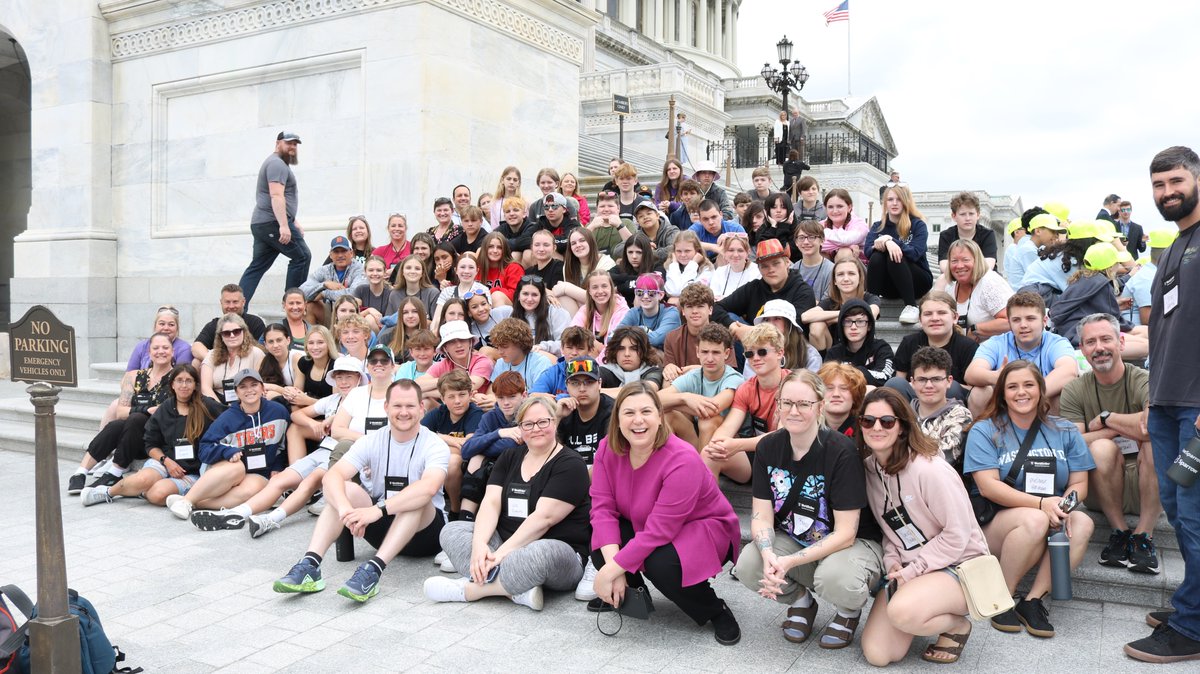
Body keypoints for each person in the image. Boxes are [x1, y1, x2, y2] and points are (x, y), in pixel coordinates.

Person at [735, 369, 884, 649]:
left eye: (804, 404)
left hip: (852, 545)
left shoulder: (841, 451)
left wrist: (788, 563)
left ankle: (848, 612)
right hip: (798, 537)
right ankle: (802, 603)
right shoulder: (768, 447)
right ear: (778, 405)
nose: (794, 411)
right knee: (750, 563)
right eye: (787, 403)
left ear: (820, 406)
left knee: (834, 578)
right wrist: (769, 555)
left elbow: (846, 533)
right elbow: (761, 516)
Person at [589, 382, 743, 645]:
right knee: (601, 543)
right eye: (629, 413)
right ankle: (634, 593)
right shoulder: (607, 448)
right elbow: (602, 508)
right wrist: (615, 570)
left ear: (660, 418)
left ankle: (714, 609)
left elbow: (660, 531)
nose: (638, 420)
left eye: (646, 412)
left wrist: (608, 573)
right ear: (617, 419)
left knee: (662, 564)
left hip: (704, 527)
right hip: (645, 520)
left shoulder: (682, 458)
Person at [271, 380, 449, 603]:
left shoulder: (434, 444)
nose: (404, 412)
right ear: (386, 408)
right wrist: (345, 509)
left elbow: (429, 488)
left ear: (422, 408)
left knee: (416, 498)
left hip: (425, 534)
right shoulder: (372, 440)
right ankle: (310, 565)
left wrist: (377, 510)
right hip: (382, 524)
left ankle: (373, 570)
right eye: (397, 406)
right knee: (343, 488)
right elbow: (332, 476)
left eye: (410, 406)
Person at [1126, 146, 1200, 662]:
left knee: (1195, 515)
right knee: (1178, 509)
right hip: (1169, 400)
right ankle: (1192, 602)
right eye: (1158, 186)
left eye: (1176, 181)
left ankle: (1194, 629)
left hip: (1196, 405)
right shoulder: (1174, 247)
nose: (1167, 193)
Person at [963, 360, 1095, 640]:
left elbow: (1080, 482)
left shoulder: (1066, 430)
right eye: (1012, 387)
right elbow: (988, 487)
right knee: (1035, 519)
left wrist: (1065, 506)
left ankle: (1033, 601)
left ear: (1040, 390)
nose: (1021, 392)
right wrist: (1041, 504)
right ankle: (1002, 597)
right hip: (999, 522)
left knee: (1082, 522)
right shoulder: (985, 430)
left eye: (1028, 385)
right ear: (1002, 393)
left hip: (1048, 514)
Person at [858, 387, 987, 666]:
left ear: (902, 427)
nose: (876, 427)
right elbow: (890, 529)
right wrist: (892, 561)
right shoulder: (869, 469)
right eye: (868, 421)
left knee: (903, 612)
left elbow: (957, 535)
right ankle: (920, 609)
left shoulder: (929, 469)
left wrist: (913, 570)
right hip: (909, 568)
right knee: (878, 654)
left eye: (887, 421)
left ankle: (955, 625)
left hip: (958, 565)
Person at [424, 396, 591, 610]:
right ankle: (517, 590)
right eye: (528, 424)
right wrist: (479, 546)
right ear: (519, 428)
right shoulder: (510, 456)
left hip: (556, 550)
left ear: (555, 422)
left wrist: (500, 554)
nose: (536, 429)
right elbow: (491, 502)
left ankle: (470, 590)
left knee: (537, 554)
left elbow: (544, 519)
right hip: (504, 542)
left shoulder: (571, 464)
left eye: (543, 422)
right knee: (452, 531)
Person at [199, 355, 367, 535]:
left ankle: (270, 519)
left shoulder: (366, 401)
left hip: (345, 453)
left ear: (359, 378)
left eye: (348, 376)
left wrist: (335, 424)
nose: (343, 381)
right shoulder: (333, 400)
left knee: (310, 481)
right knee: (279, 480)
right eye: (339, 377)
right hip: (323, 449)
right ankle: (236, 513)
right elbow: (296, 416)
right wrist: (315, 424)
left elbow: (366, 435)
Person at [1057, 314, 1157, 573]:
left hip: (1149, 488)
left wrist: (1107, 419)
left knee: (1156, 443)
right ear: (1082, 349)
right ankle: (1120, 532)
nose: (1099, 347)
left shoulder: (1144, 380)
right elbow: (1072, 442)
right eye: (1090, 342)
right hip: (1101, 490)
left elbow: (1151, 428)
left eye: (1105, 339)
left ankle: (1144, 536)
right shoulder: (1075, 389)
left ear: (1121, 343)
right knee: (1100, 448)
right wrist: (1123, 430)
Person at [79, 364, 223, 508]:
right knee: (142, 479)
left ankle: (138, 492)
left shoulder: (206, 405)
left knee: (157, 494)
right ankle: (107, 492)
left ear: (195, 385)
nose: (184, 385)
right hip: (164, 462)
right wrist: (167, 461)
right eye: (179, 380)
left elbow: (231, 416)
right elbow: (151, 444)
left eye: (188, 381)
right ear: (172, 384)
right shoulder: (165, 408)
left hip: (191, 471)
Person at [167, 369, 290, 522]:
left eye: (254, 385)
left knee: (252, 489)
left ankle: (191, 503)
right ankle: (187, 500)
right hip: (226, 469)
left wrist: (277, 468)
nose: (249, 390)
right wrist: (226, 451)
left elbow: (282, 446)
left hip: (259, 471)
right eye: (243, 387)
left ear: (262, 388)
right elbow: (204, 449)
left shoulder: (279, 412)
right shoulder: (227, 418)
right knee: (237, 467)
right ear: (236, 393)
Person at [69, 332, 176, 494]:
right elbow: (120, 411)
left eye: (165, 347)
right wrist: (146, 409)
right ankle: (80, 472)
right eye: (156, 348)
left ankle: (115, 472)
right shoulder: (134, 377)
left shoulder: (177, 377)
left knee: (135, 418)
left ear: (172, 351)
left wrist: (140, 413)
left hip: (157, 439)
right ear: (149, 352)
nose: (161, 351)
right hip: (131, 434)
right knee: (116, 425)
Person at [964, 291, 1078, 416]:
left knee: (1061, 394)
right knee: (979, 393)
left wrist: (1031, 395)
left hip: (1042, 407)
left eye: (1030, 318)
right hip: (1004, 407)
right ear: (1010, 323)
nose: (1023, 325)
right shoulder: (997, 343)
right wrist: (997, 377)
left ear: (1044, 321)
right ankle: (982, 434)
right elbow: (971, 373)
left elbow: (1069, 370)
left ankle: (1055, 435)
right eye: (1016, 320)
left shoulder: (1056, 343)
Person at [703, 323, 790, 482]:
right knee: (709, 453)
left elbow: (782, 437)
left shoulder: (794, 386)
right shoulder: (747, 388)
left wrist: (738, 445)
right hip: (758, 454)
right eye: (750, 353)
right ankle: (710, 505)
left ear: (780, 353)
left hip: (789, 458)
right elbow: (728, 427)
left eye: (762, 352)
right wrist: (717, 444)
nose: (756, 358)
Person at [238, 131, 310, 306]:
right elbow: (276, 196)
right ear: (278, 143)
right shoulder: (277, 164)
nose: (292, 147)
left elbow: (281, 197)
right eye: (289, 143)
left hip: (263, 223)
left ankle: (236, 309)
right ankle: (294, 305)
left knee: (257, 266)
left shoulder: (277, 164)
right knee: (302, 257)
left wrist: (293, 221)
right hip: (272, 223)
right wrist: (284, 226)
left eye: (295, 144)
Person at [1050, 243, 1149, 360]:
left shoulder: (1084, 278)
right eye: (1117, 263)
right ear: (1110, 266)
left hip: (1072, 333)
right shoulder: (1101, 283)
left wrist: (1116, 305)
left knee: (1146, 333)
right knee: (1147, 345)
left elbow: (1088, 307)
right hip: (1081, 339)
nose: (1118, 266)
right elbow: (1113, 321)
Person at [714, 238, 817, 345]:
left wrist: (752, 332)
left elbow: (793, 330)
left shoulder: (803, 291)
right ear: (759, 269)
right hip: (753, 350)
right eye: (764, 266)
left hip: (788, 350)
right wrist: (733, 327)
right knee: (729, 318)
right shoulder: (754, 287)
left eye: (776, 263)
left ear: (787, 263)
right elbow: (716, 308)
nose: (771, 269)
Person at [660, 323, 744, 450]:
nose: (709, 358)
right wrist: (685, 397)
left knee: (707, 421)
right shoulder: (694, 375)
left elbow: (711, 410)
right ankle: (674, 463)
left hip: (730, 443)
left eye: (715, 352)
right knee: (667, 414)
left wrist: (675, 402)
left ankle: (700, 468)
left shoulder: (734, 378)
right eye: (705, 352)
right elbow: (654, 399)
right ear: (697, 352)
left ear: (726, 353)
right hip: (698, 435)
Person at [887, 291, 978, 404]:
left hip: (951, 404)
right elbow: (899, 380)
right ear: (920, 319)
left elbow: (975, 390)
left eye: (941, 313)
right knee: (894, 383)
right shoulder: (909, 342)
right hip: (914, 402)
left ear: (955, 317)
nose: (935, 318)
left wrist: (940, 384)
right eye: (928, 314)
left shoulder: (968, 347)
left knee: (952, 387)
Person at [421, 369, 484, 521]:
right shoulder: (439, 412)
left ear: (470, 394)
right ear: (442, 398)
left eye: (462, 395)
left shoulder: (475, 413)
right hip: (438, 463)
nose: (457, 401)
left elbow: (468, 445)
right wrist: (448, 439)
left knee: (453, 461)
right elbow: (419, 435)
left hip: (467, 466)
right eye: (451, 396)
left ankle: (455, 511)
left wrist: (436, 439)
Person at [866, 186, 932, 325]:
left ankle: (911, 306)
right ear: (885, 203)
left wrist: (890, 241)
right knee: (877, 256)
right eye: (890, 199)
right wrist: (885, 243)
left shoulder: (917, 225)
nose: (894, 203)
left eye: (899, 199)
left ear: (906, 202)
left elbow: (914, 254)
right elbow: (867, 252)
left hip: (917, 282)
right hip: (889, 286)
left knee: (894, 255)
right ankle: (872, 305)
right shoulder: (878, 227)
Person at [907, 346, 973, 464]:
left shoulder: (960, 415)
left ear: (949, 381)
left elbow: (943, 458)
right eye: (922, 379)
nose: (928, 385)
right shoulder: (903, 413)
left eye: (936, 379)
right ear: (912, 382)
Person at [801, 255, 880, 352]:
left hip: (863, 350)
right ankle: (823, 364)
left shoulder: (870, 298)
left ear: (860, 278)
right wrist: (843, 313)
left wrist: (832, 319)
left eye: (851, 273)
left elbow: (870, 314)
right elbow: (805, 317)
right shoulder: (830, 302)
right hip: (834, 352)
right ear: (834, 281)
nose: (846, 279)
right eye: (840, 274)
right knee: (816, 326)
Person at [662, 283, 736, 383]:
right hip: (682, 390)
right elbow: (668, 380)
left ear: (710, 310)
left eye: (700, 306)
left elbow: (730, 376)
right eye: (690, 306)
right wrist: (669, 367)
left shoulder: (724, 336)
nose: (695, 311)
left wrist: (699, 370)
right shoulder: (672, 337)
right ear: (683, 311)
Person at [944, 239, 1014, 344]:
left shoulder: (990, 283)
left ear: (977, 261)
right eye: (954, 261)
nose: (959, 266)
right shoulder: (950, 288)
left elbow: (1011, 320)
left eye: (965, 260)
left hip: (995, 351)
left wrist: (975, 330)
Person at [491, 274, 572, 356]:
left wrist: (543, 347)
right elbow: (482, 311)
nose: (529, 299)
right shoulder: (508, 312)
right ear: (518, 296)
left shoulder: (556, 312)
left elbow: (566, 343)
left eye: (534, 295)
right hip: (517, 360)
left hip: (547, 359)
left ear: (542, 297)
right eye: (525, 294)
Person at [555, 357, 613, 468]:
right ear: (567, 385)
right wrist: (556, 417)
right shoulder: (563, 411)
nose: (582, 389)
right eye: (575, 383)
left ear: (599, 383)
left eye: (589, 382)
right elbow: (546, 453)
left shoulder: (612, 411)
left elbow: (611, 461)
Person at [825, 300, 895, 388]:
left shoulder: (881, 348)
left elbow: (885, 378)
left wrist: (853, 372)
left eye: (860, 321)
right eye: (848, 321)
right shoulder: (834, 353)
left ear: (869, 325)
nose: (853, 327)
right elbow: (826, 381)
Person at [200, 314, 266, 407]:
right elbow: (206, 387)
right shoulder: (211, 355)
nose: (232, 335)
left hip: (246, 402)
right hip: (216, 403)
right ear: (221, 337)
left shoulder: (256, 353)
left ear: (244, 332)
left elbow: (261, 385)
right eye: (226, 333)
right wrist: (220, 408)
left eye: (236, 331)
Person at [934, 192, 998, 288]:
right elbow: (944, 265)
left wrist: (967, 274)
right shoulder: (946, 235)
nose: (968, 218)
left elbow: (988, 264)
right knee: (941, 280)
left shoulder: (987, 234)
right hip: (957, 275)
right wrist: (962, 274)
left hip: (983, 277)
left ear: (978, 215)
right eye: (963, 214)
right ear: (954, 216)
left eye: (971, 214)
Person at [299, 235, 367, 326]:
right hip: (330, 314)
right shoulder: (324, 270)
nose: (340, 255)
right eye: (336, 252)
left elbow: (354, 293)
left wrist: (324, 293)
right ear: (330, 255)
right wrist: (324, 285)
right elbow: (301, 292)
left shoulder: (359, 268)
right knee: (309, 306)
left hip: (353, 315)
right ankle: (312, 338)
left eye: (344, 251)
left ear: (351, 253)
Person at [191, 285, 266, 364]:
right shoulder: (214, 325)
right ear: (221, 302)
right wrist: (213, 361)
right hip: (219, 366)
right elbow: (196, 346)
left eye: (235, 302)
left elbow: (262, 350)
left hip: (247, 367)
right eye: (227, 302)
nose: (231, 306)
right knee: (196, 362)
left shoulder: (255, 322)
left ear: (243, 302)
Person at [418, 320, 495, 396]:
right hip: (453, 406)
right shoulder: (444, 364)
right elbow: (417, 385)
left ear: (470, 342)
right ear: (445, 347)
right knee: (426, 401)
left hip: (478, 406)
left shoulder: (482, 361)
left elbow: (468, 387)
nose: (458, 345)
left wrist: (427, 393)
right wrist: (443, 380)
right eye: (452, 342)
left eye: (462, 339)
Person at [555, 226, 616, 316]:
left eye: (582, 240)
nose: (578, 245)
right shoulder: (568, 265)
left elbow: (602, 298)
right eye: (573, 243)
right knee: (564, 298)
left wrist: (566, 288)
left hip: (603, 312)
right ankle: (575, 329)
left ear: (590, 241)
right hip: (579, 312)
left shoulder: (606, 262)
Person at [1121, 228, 1176, 327]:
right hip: (1140, 334)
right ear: (1169, 253)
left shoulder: (1152, 273)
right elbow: (1148, 319)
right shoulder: (1147, 279)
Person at [754, 299, 821, 374]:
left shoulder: (810, 354)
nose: (770, 324)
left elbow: (813, 384)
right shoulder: (755, 351)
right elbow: (749, 382)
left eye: (777, 318)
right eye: (766, 320)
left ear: (789, 324)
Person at [616, 273, 680, 349]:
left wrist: (631, 332)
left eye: (651, 293)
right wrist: (642, 331)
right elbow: (613, 337)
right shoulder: (633, 312)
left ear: (661, 295)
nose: (645, 296)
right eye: (640, 292)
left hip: (665, 359)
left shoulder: (671, 313)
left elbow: (655, 340)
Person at [530, 327, 596, 400]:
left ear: (590, 350)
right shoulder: (553, 373)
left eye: (580, 348)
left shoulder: (596, 371)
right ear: (562, 348)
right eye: (569, 347)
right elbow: (532, 395)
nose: (574, 353)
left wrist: (557, 398)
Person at [125, 306, 193, 374]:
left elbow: (181, 377)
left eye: (171, 325)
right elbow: (129, 375)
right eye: (162, 324)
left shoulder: (184, 349)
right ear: (155, 326)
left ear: (177, 328)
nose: (166, 328)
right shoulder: (142, 346)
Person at [1005, 210, 1063, 291]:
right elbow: (1046, 277)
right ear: (1038, 231)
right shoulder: (1028, 250)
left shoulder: (1031, 248)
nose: (1056, 236)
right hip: (1024, 299)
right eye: (1053, 231)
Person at [571, 269, 629, 348]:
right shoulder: (585, 310)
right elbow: (571, 337)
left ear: (611, 288)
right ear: (589, 291)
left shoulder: (622, 311)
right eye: (595, 287)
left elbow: (615, 345)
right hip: (588, 357)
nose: (600, 291)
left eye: (604, 286)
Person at [490, 317, 555, 387]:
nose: (500, 352)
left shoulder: (540, 363)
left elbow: (540, 395)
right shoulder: (500, 363)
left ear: (519, 343)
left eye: (505, 346)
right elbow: (492, 391)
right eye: (497, 347)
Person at [614, 200, 677, 267]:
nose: (645, 217)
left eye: (649, 213)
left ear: (657, 215)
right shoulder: (638, 235)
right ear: (638, 222)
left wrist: (646, 251)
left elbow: (674, 249)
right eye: (641, 216)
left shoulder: (671, 230)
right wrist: (641, 245)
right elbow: (617, 250)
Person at [609, 232, 660, 307]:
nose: (634, 256)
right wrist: (630, 279)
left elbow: (651, 282)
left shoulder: (657, 265)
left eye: (639, 252)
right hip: (624, 309)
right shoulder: (623, 265)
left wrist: (620, 288)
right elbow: (608, 276)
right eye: (630, 252)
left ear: (646, 252)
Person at [352, 256, 400, 334]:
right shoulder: (360, 290)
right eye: (371, 270)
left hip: (387, 332)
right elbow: (353, 316)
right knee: (369, 318)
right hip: (364, 331)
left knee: (370, 319)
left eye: (379, 270)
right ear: (365, 272)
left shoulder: (392, 293)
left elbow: (391, 320)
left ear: (385, 272)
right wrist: (369, 310)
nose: (375, 273)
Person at [476, 232, 523, 308]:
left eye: (499, 247)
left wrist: (493, 291)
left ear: (505, 250)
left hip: (510, 310)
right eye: (490, 246)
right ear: (485, 248)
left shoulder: (514, 268)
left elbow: (517, 294)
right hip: (481, 309)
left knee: (497, 296)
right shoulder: (477, 268)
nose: (495, 251)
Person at [791, 220, 834, 303]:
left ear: (822, 240)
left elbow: (827, 304)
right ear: (796, 242)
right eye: (801, 238)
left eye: (811, 237)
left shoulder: (831, 270)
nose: (806, 242)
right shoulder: (792, 270)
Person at [821, 188, 869, 261]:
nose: (835, 211)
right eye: (830, 207)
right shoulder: (821, 224)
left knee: (845, 252)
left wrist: (825, 232)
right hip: (830, 264)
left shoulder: (860, 225)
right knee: (817, 253)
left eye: (839, 206)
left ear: (849, 207)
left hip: (856, 267)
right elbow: (812, 244)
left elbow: (844, 240)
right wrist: (849, 245)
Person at [820, 362, 867, 437]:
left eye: (844, 388)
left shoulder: (866, 430)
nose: (836, 394)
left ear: (856, 395)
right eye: (829, 388)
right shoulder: (806, 428)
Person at [585, 190, 636, 260]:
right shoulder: (589, 226)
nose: (606, 209)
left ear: (618, 208)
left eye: (610, 206)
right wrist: (591, 227)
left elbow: (634, 246)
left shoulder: (627, 223)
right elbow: (577, 245)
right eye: (602, 206)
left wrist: (619, 225)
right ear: (597, 208)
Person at [258, 323, 304, 400]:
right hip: (275, 402)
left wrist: (273, 388)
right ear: (265, 345)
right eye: (271, 342)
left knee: (270, 395)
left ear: (288, 340)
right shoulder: (263, 361)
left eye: (279, 340)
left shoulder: (296, 358)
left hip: (297, 402)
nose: (275, 345)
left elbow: (298, 393)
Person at [709, 233, 759, 301]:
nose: (735, 255)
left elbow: (751, 300)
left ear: (748, 252)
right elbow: (713, 298)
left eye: (740, 250)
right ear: (725, 252)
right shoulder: (719, 272)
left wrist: (724, 298)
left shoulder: (756, 271)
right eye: (731, 250)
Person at [389, 256, 439, 321]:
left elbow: (435, 324)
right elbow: (389, 323)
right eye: (408, 268)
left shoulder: (432, 293)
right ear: (402, 272)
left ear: (422, 273)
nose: (412, 271)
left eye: (417, 269)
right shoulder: (394, 294)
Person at [524, 229, 565, 300]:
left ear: (554, 248)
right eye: (537, 245)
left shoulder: (559, 267)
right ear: (531, 248)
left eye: (546, 245)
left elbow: (556, 295)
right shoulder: (528, 272)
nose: (541, 249)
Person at [495, 196, 535, 266]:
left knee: (527, 253)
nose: (511, 214)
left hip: (531, 264)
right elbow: (491, 241)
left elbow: (529, 242)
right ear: (504, 216)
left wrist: (504, 242)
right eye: (508, 211)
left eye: (516, 210)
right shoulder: (501, 229)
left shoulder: (532, 227)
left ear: (524, 214)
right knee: (514, 255)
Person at [489, 166, 523, 230]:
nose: (511, 182)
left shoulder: (524, 202)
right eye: (508, 179)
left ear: (518, 183)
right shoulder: (494, 203)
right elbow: (494, 226)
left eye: (515, 180)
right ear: (502, 180)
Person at [279, 288, 311, 352]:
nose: (295, 307)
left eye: (298, 303)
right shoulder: (275, 328)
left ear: (305, 305)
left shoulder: (312, 329)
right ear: (284, 305)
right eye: (291, 303)